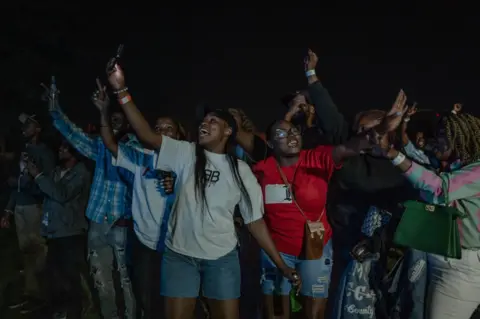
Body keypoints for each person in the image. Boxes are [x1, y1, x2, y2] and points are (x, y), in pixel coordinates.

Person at [106, 62, 300, 319]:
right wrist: (122, 91)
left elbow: (255, 222)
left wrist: (281, 265)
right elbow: (146, 136)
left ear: (228, 131)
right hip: (179, 256)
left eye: (213, 122)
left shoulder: (241, 170)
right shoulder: (185, 153)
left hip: (221, 259)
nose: (203, 125)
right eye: (203, 121)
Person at [253, 119, 372, 319]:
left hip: (316, 248)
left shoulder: (318, 158)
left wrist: (376, 133)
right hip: (276, 251)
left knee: (314, 313)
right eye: (281, 134)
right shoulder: (260, 171)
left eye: (293, 131)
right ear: (271, 144)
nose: (291, 136)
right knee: (275, 312)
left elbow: (347, 148)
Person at [44, 79, 137, 319]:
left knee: (126, 280)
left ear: (127, 125)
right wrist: (55, 107)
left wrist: (105, 112)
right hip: (97, 224)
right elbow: (73, 134)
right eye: (110, 120)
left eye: (118, 121)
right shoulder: (100, 148)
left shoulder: (134, 148)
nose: (113, 123)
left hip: (121, 224)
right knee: (101, 279)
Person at [377, 111, 480, 319]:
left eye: (443, 135)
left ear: (460, 138)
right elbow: (431, 191)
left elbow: (439, 190)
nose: (435, 140)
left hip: (461, 267)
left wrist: (393, 154)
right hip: (440, 256)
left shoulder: (476, 171)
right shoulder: (455, 168)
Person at [93, 79, 181, 319]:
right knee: (146, 298)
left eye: (168, 128)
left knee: (174, 301)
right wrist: (103, 112)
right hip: (144, 244)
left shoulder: (187, 160)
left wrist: (177, 185)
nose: (162, 132)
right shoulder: (141, 157)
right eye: (158, 127)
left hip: (176, 244)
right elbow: (111, 144)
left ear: (179, 135)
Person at [26, 140, 91, 319]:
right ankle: (60, 310)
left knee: (70, 277)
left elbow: (61, 195)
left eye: (65, 147)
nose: (60, 149)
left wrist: (38, 176)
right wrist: (30, 175)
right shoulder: (56, 171)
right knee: (55, 276)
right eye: (60, 146)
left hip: (70, 232)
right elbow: (44, 192)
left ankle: (74, 312)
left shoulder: (81, 173)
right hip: (54, 230)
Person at [0, 113, 55, 314]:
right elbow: (18, 185)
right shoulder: (24, 151)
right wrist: (8, 210)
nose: (24, 129)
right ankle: (31, 294)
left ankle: (43, 297)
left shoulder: (44, 153)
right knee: (27, 254)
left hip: (35, 207)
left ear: (38, 129)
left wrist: (28, 186)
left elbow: (48, 185)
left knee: (38, 253)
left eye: (29, 125)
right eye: (24, 126)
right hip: (21, 208)